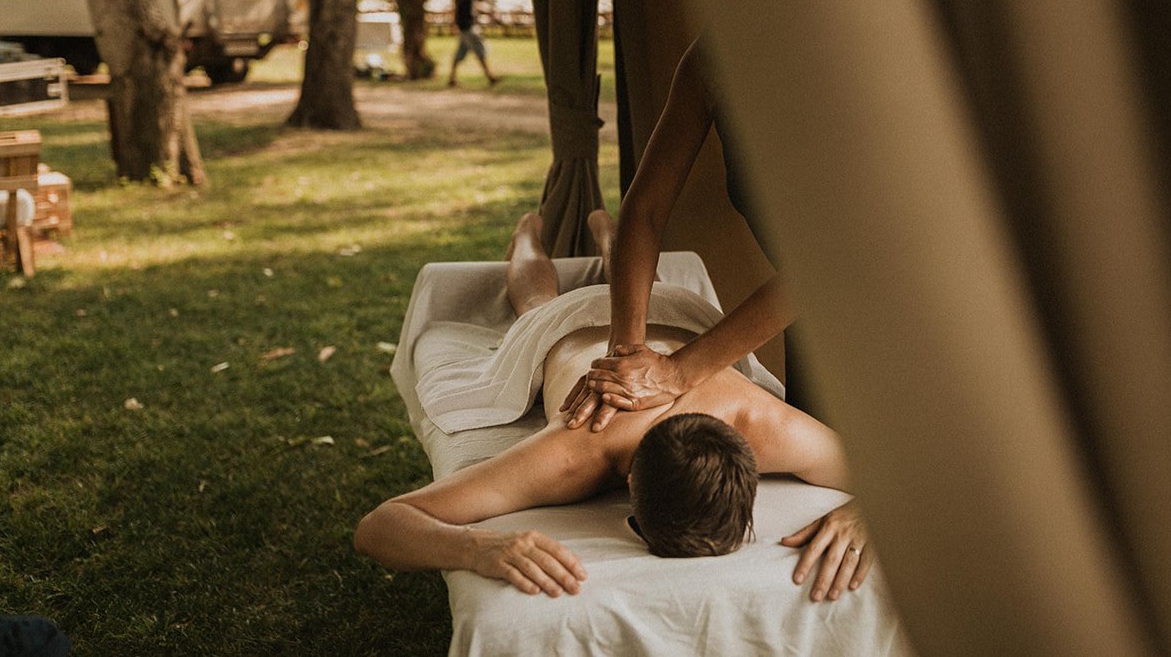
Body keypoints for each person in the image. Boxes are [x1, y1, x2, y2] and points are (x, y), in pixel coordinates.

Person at [354, 212, 874, 602]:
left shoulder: (764, 424)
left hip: (683, 319)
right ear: (627, 484)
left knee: (648, 287)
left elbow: (900, 483)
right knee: (534, 306)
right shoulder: (577, 450)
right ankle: (527, 235)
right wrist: (479, 548)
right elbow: (381, 525)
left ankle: (607, 232)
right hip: (569, 325)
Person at [560, 38, 806, 433]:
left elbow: (833, 264)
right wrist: (624, 354)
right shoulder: (713, 60)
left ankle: (554, 231)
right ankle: (598, 225)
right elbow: (645, 211)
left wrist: (676, 372)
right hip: (816, 328)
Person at [446, 0, 497, 87]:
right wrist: (454, 23)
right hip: (466, 26)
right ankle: (490, 76)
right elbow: (456, 8)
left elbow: (475, 4)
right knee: (479, 50)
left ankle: (452, 78)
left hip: (470, 24)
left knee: (460, 52)